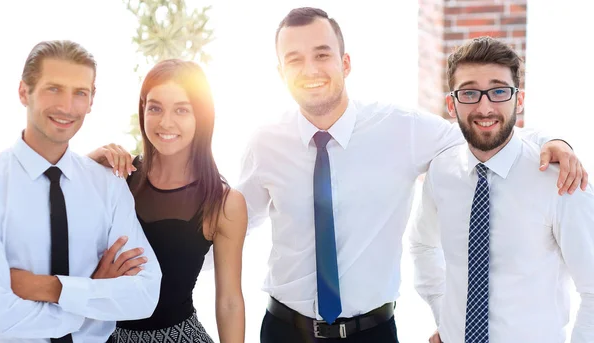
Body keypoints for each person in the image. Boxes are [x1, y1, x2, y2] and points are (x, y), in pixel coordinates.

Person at [103, 7, 587, 342]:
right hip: (284, 331)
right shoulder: (265, 141)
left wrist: (553, 139)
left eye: (321, 54)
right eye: (294, 58)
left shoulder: (404, 130)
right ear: (279, 72)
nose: (310, 68)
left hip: (373, 333)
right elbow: (225, 226)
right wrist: (148, 280)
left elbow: (484, 125)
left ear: (345, 62)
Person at [409, 36, 594, 343]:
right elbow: (422, 246)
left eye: (498, 91)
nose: (484, 107)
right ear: (451, 104)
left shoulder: (560, 181)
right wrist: (448, 318)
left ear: (518, 100)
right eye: (469, 93)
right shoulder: (441, 171)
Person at [0, 40, 162, 343]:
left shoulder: (108, 185)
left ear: (91, 99)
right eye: (53, 88)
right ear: (23, 92)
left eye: (80, 93)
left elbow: (145, 294)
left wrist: (53, 289)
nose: (67, 107)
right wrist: (93, 294)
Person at [88, 59, 247, 343]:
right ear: (143, 110)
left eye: (182, 110)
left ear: (202, 116)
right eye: (155, 108)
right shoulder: (115, 177)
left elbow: (230, 301)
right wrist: (88, 164)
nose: (165, 122)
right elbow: (52, 231)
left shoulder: (224, 203)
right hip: (105, 336)